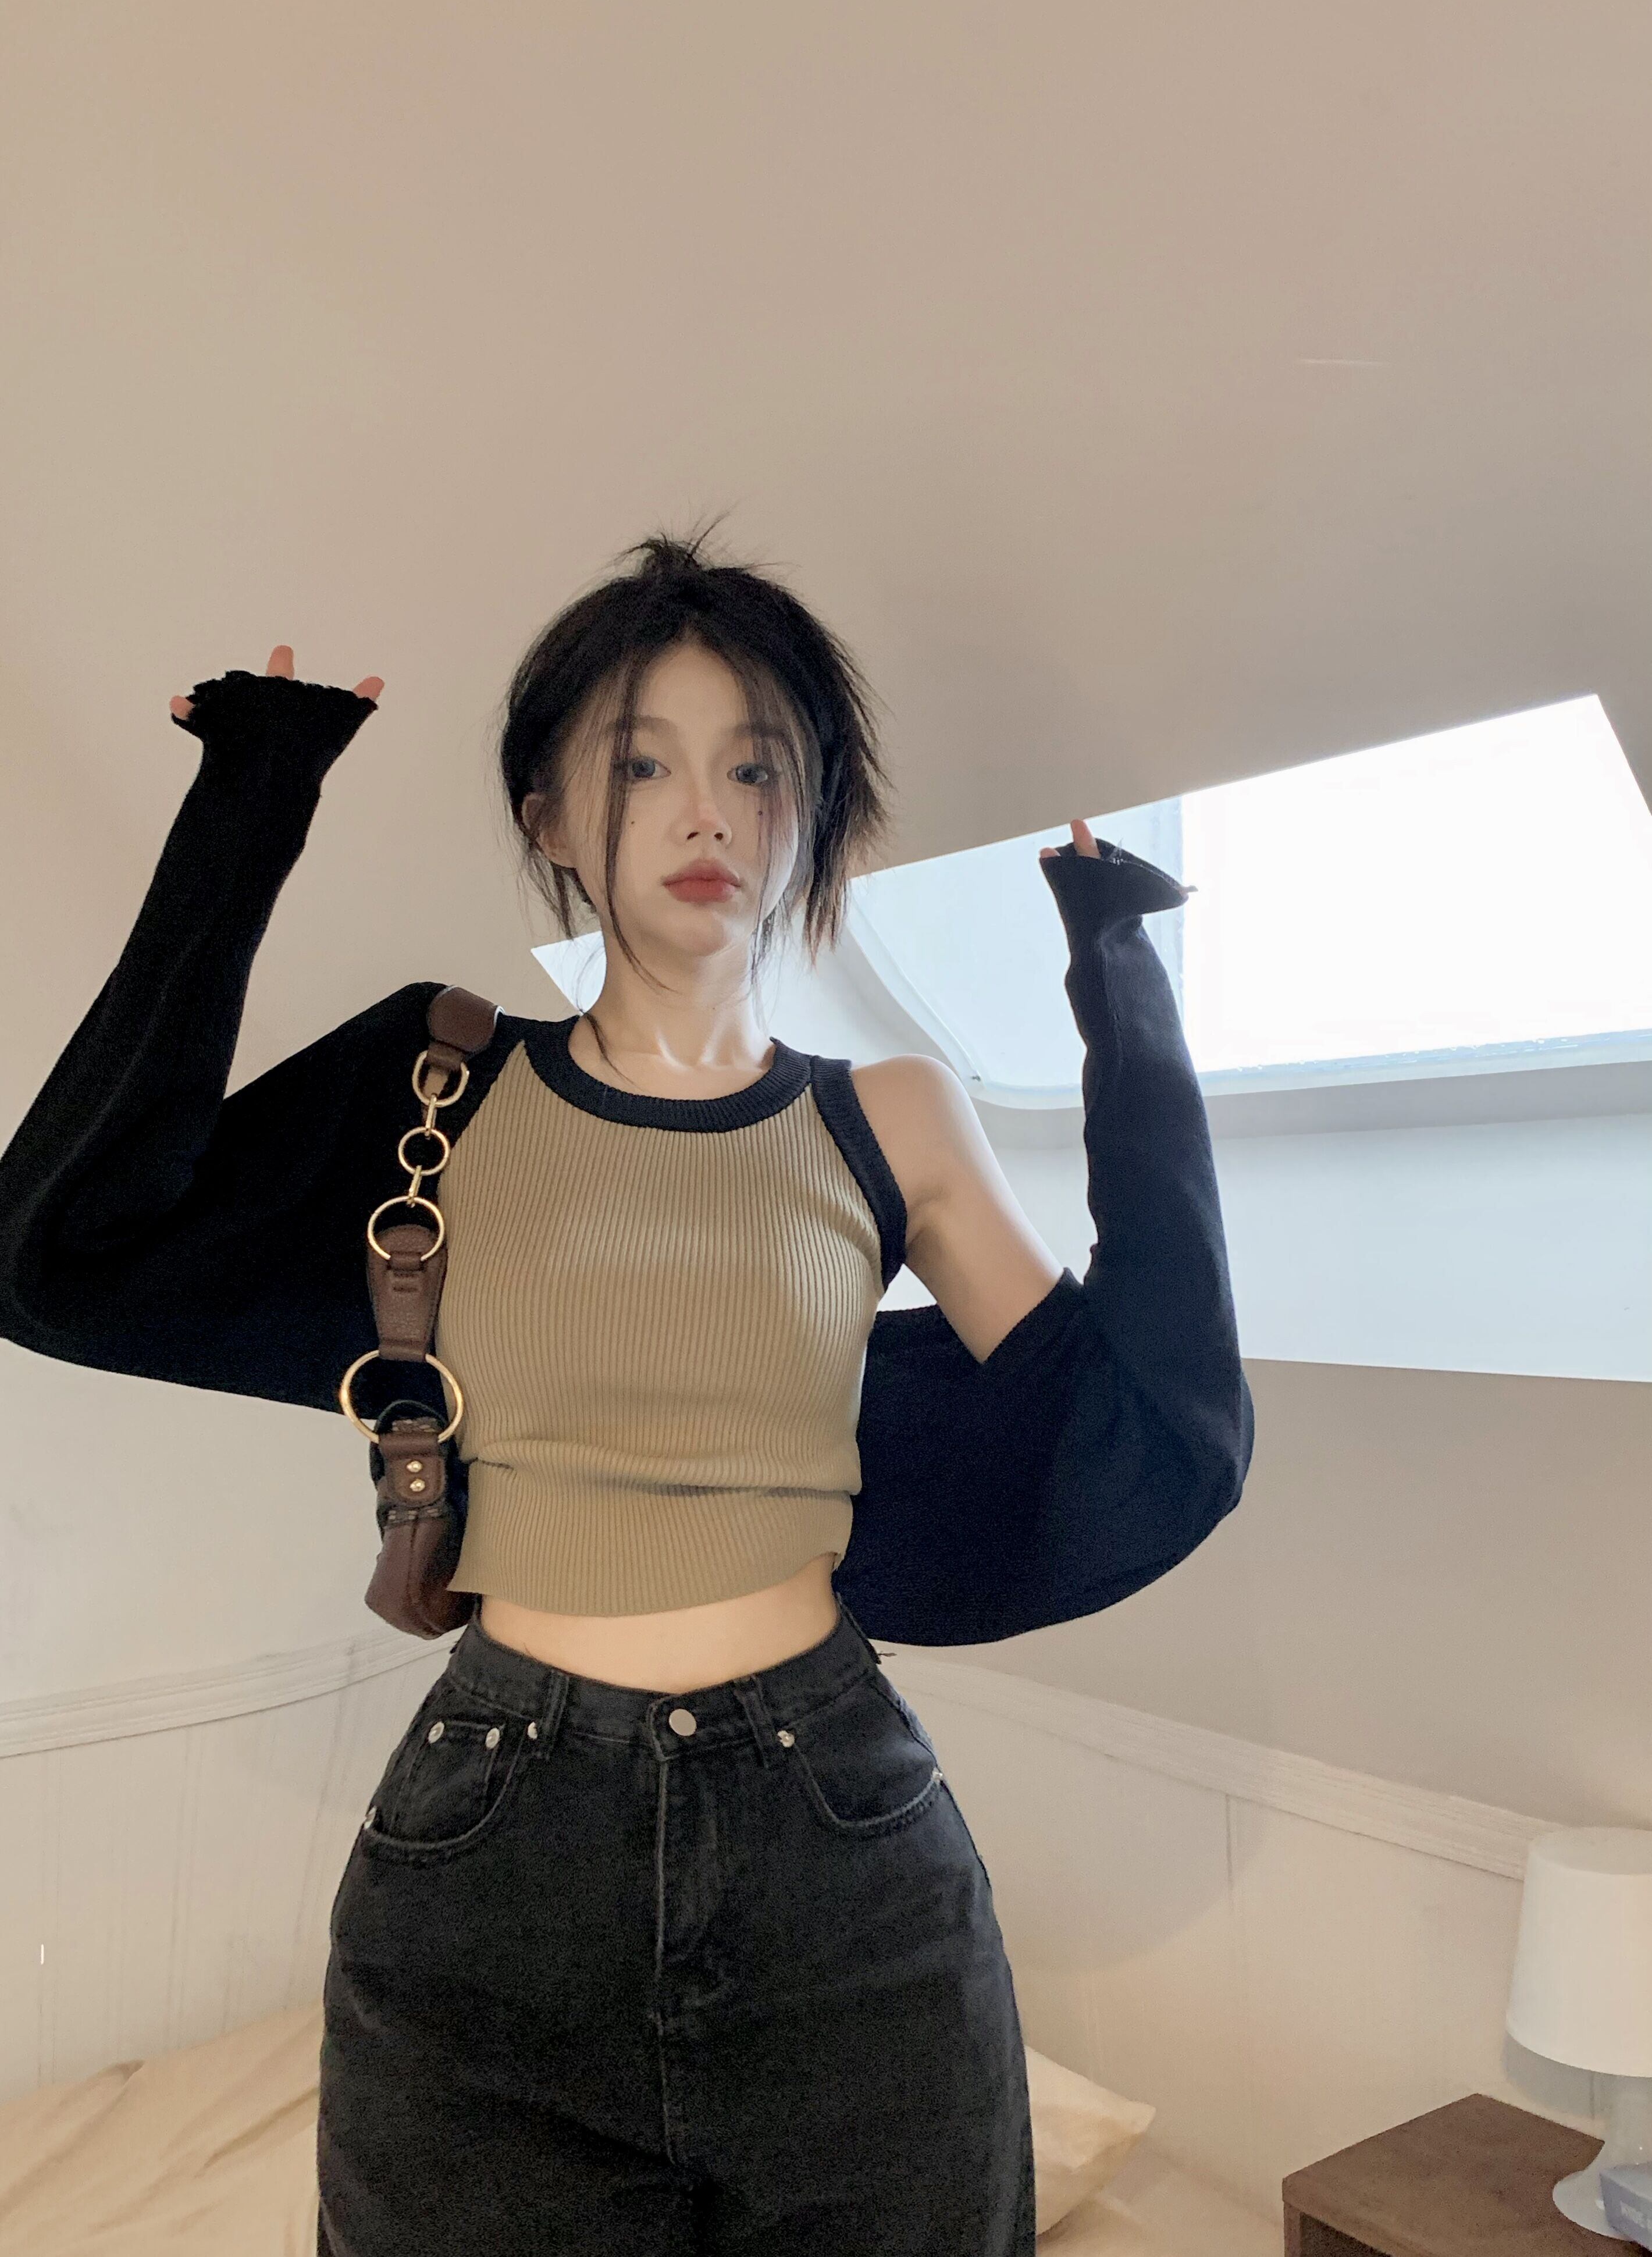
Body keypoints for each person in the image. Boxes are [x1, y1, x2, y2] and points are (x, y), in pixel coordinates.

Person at [0, 531, 1254, 2254]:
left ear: (812, 817)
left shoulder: (892, 1116)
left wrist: (1121, 980)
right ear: (550, 817)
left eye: (759, 768)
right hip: (496, 1848)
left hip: (842, 1840)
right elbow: (61, 1252)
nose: (704, 813)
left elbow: (1142, 1421)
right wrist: (252, 797)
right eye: (641, 764)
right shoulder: (441, 1087)